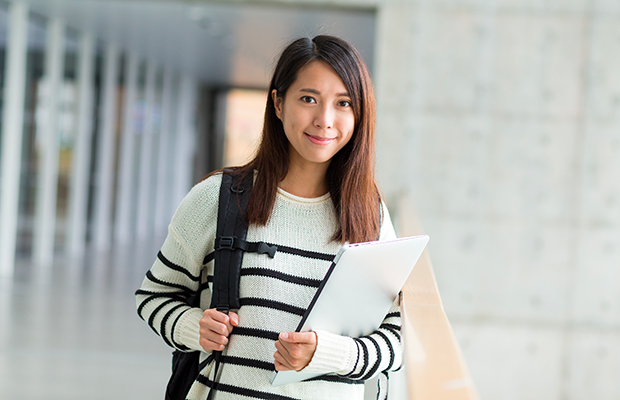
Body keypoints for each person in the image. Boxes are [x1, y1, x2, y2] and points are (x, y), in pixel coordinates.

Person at [136, 35, 402, 400]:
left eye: (343, 103)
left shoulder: (370, 215)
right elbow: (153, 296)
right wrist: (192, 327)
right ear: (278, 103)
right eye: (308, 99)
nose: (324, 120)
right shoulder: (219, 197)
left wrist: (327, 353)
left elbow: (395, 341)